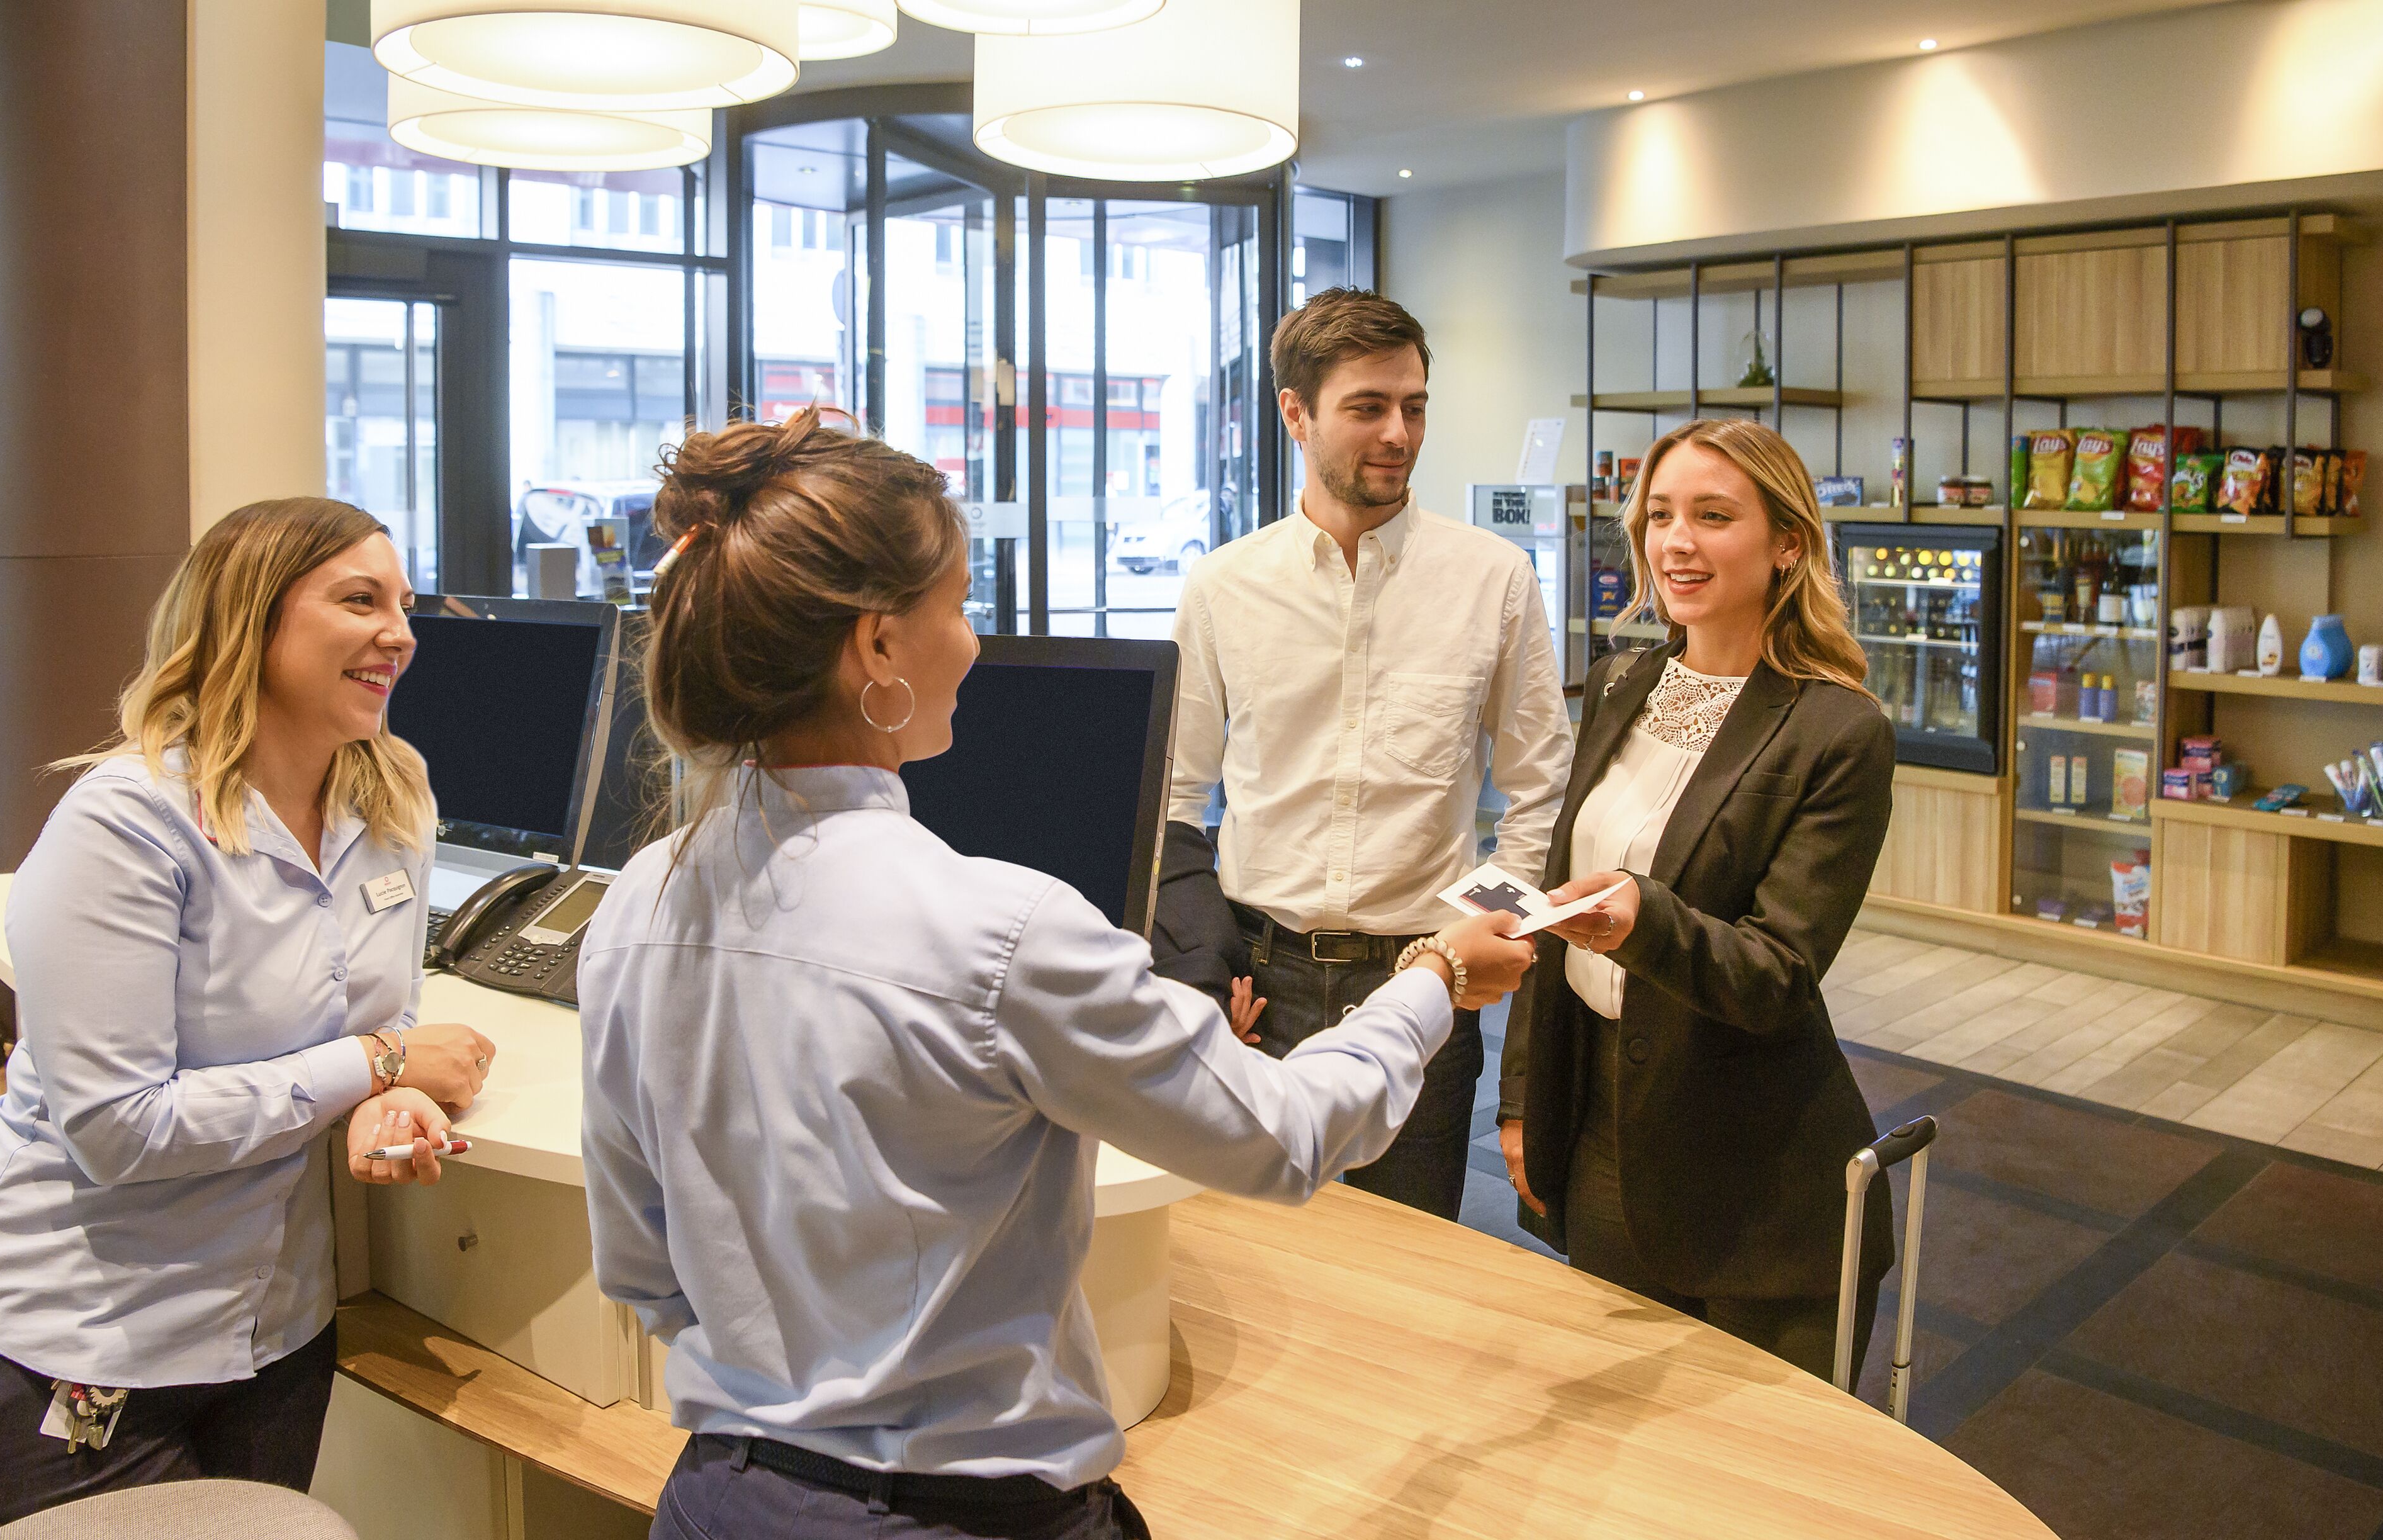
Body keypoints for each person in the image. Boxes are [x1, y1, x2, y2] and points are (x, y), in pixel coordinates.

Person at [577, 410, 1535, 1540]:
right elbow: (1282, 1138)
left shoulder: (637, 901)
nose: (975, 642)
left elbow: (642, 1268)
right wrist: (1431, 977)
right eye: (961, 605)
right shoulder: (1000, 931)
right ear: (879, 648)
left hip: (717, 1503)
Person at [0, 499, 493, 1522]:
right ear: (250, 619)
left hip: (279, 1331)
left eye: (404, 603)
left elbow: (378, 1020)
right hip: (91, 1333)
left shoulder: (395, 797)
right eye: (358, 600)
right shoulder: (128, 825)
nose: (401, 632)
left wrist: (384, 1107)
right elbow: (121, 1129)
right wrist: (376, 1066)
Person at [1153, 288, 1574, 1220]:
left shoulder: (1493, 578)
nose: (1400, 433)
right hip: (1258, 973)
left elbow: (1541, 790)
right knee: (1246, 1245)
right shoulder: (1224, 586)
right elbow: (1175, 796)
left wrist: (1484, 934)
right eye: (1369, 408)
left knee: (1412, 1254)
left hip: (1424, 971)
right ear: (1295, 413)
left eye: (1414, 406)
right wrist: (1199, 971)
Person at [1497, 418, 1896, 1381]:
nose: (1677, 541)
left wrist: (1645, 919)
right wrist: (1520, 1101)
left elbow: (1779, 971)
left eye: (1714, 516)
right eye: (1661, 515)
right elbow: (1555, 899)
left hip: (1756, 1175)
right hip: (1599, 1130)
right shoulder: (1623, 681)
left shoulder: (1839, 730)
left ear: (1788, 542)